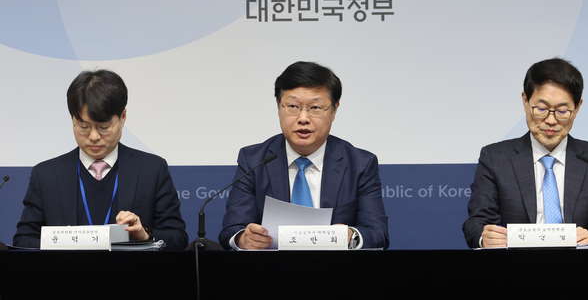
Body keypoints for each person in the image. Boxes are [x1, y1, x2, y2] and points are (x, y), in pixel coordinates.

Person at [218, 61, 389, 250]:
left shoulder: (360, 164)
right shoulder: (254, 160)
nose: (303, 118)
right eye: (293, 106)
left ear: (334, 109)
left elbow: (378, 233)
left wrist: (350, 236)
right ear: (278, 106)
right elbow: (231, 231)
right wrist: (244, 238)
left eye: (315, 108)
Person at [13, 69, 188, 250]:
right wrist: (58, 242)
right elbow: (24, 239)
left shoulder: (152, 169)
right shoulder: (46, 175)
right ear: (72, 119)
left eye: (104, 127)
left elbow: (178, 238)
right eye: (84, 127)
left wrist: (145, 235)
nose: (94, 136)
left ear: (123, 117)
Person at [463, 58, 588, 248]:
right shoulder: (495, 158)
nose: (551, 121)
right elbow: (476, 222)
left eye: (562, 111)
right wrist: (485, 237)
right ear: (525, 101)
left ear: (577, 107)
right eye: (541, 109)